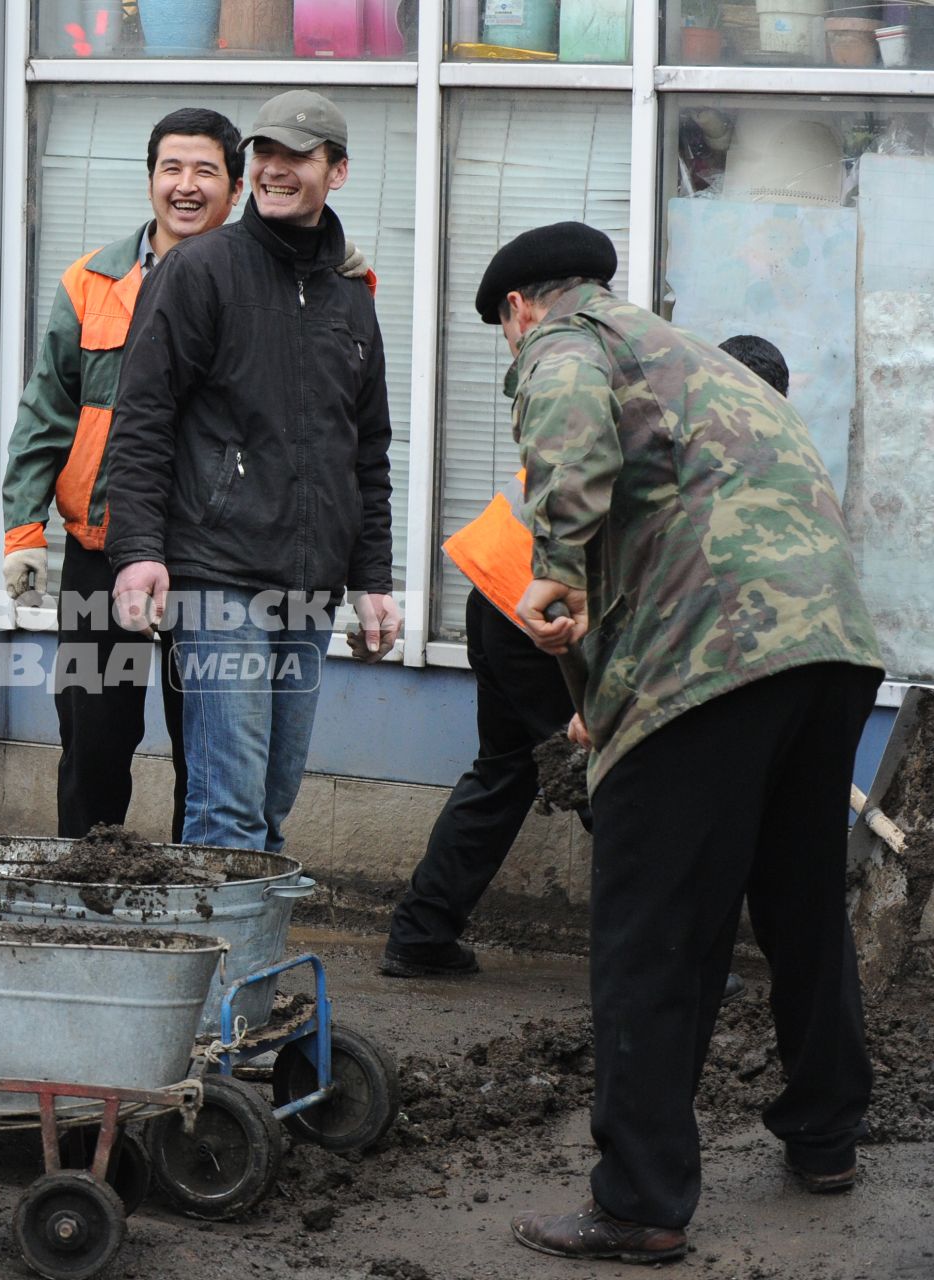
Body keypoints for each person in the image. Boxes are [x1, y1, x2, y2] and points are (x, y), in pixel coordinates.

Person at [475, 222, 883, 1262]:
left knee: (650, 923)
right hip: (825, 642)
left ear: (519, 307)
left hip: (712, 653)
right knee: (797, 895)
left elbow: (565, 429)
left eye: (504, 335)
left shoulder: (564, 340)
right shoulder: (687, 355)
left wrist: (556, 563)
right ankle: (824, 1131)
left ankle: (639, 1198)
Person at [3, 108, 378, 841]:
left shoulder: (294, 281)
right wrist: (23, 531)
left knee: (203, 743)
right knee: (95, 726)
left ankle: (182, 887)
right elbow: (47, 411)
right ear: (149, 182)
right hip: (104, 540)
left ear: (235, 189)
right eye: (170, 169)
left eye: (205, 170)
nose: (185, 185)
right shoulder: (92, 280)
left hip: (209, 554)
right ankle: (89, 884)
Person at [379, 332, 793, 985]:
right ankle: (670, 957)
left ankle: (421, 932)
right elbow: (641, 577)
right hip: (541, 608)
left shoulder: (655, 409)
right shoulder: (680, 444)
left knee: (508, 769)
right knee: (621, 782)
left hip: (498, 590)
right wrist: (610, 689)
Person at [102, 89, 401, 853]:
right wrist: (138, 553)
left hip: (308, 585)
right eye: (264, 154)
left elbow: (366, 451)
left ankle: (251, 976)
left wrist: (373, 582)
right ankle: (215, 974)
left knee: (270, 803)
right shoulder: (201, 271)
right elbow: (142, 419)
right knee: (229, 807)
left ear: (336, 171)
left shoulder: (350, 299)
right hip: (216, 572)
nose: (273, 170)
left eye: (296, 156)